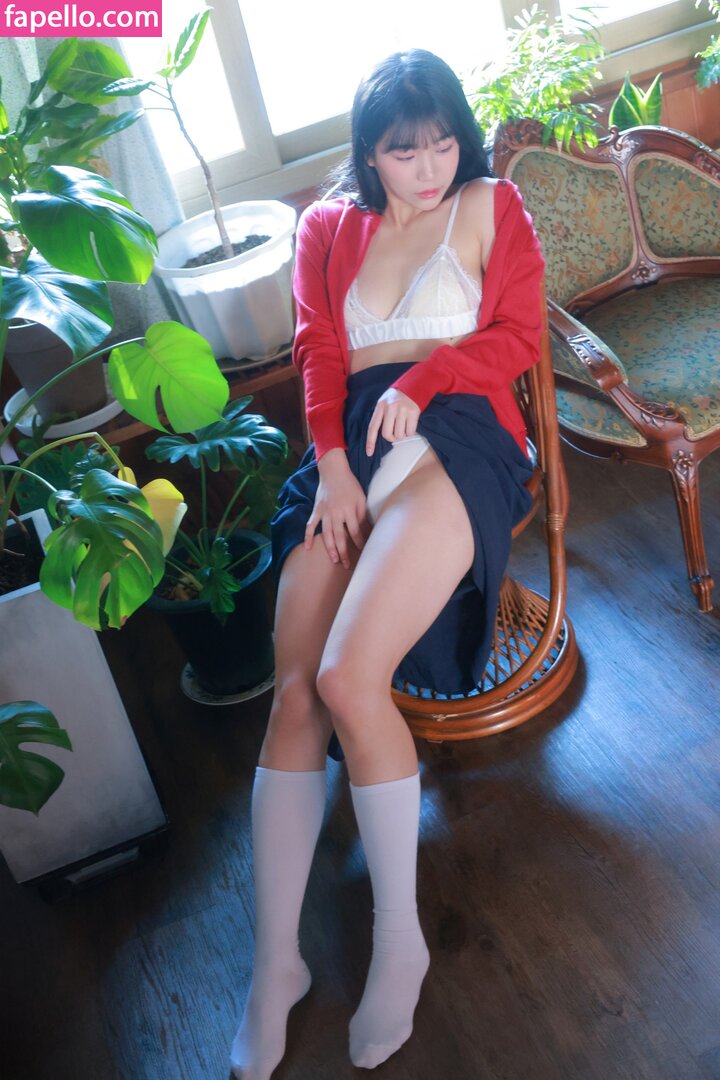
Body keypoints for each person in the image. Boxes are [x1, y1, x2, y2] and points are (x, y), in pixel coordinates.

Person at [229, 48, 544, 1080]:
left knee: (347, 677)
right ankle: (276, 965)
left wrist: (432, 375)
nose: (431, 166)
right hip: (352, 445)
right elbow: (320, 349)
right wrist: (329, 463)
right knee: (293, 694)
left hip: (462, 431)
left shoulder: (493, 206)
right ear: (371, 153)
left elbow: (520, 335)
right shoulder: (326, 227)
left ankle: (399, 942)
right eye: (407, 152)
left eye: (445, 142)